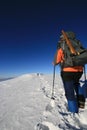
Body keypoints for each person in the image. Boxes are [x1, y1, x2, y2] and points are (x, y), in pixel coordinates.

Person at [53, 32, 84, 113]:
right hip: (79, 71)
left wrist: (54, 62)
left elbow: (56, 61)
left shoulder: (62, 45)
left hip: (67, 72)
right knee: (76, 84)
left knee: (69, 90)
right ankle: (81, 102)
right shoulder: (77, 43)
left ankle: (73, 111)